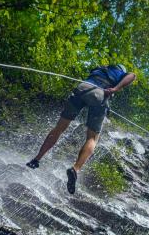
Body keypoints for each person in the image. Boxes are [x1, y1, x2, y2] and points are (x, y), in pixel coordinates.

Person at [26, 64, 136, 194]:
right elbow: (132, 76)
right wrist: (115, 89)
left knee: (60, 128)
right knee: (92, 138)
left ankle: (36, 159)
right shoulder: (121, 74)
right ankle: (75, 169)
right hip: (100, 95)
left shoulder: (100, 68)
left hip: (82, 88)